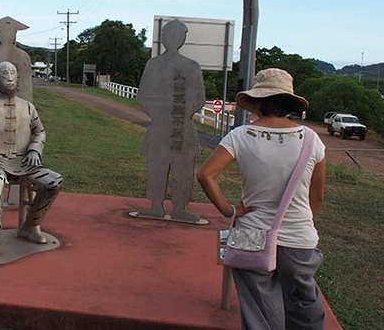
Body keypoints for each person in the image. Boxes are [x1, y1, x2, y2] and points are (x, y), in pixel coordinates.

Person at [196, 68, 327, 330]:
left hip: (250, 233)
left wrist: (230, 210)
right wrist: (302, 222)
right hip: (298, 236)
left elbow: (205, 175)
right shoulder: (312, 140)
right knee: (303, 306)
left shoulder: (240, 135)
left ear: (257, 102)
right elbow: (318, 195)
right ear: (289, 103)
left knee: (259, 312)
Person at [0, 61, 63, 264]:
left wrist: (34, 149)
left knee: (54, 181)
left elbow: (40, 131)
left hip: (24, 163)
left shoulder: (28, 107)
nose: (10, 77)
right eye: (4, 73)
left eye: (13, 73)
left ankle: (30, 226)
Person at [135, 19, 206, 224]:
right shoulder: (153, 64)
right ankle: (155, 205)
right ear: (163, 38)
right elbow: (143, 96)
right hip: (158, 126)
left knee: (183, 168)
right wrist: (160, 113)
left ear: (183, 39)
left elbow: (198, 98)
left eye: (177, 35)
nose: (172, 39)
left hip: (181, 126)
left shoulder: (191, 67)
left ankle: (180, 207)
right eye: (168, 35)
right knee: (156, 165)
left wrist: (180, 113)